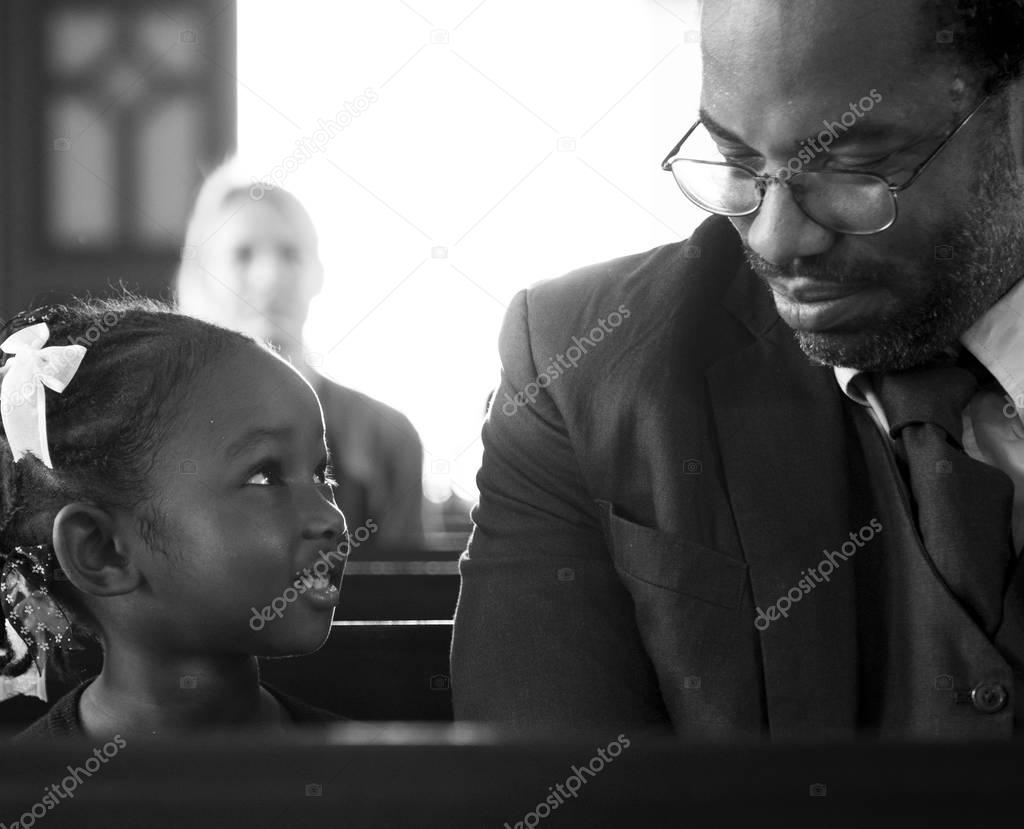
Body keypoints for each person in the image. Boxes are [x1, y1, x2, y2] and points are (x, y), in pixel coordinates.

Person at [452, 0, 1024, 739]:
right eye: (735, 160)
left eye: (851, 163)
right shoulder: (577, 365)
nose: (777, 237)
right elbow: (547, 787)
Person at [0, 296, 349, 739]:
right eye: (265, 477)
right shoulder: (24, 801)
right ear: (102, 550)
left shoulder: (382, 782)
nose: (331, 518)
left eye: (322, 474)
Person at [174, 160, 425, 550]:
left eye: (291, 254)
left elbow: (403, 599)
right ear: (203, 273)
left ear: (317, 273)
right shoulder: (166, 432)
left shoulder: (388, 437)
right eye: (243, 254)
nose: (270, 276)